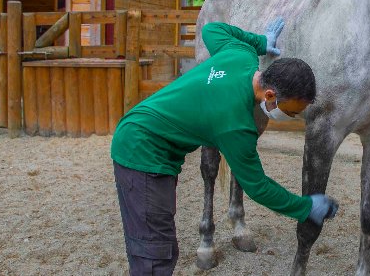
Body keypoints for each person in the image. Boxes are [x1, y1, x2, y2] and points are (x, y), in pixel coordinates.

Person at [110, 17, 339, 275]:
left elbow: (212, 29)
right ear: (270, 95)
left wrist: (260, 41)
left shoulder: (242, 55)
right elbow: (258, 187)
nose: (292, 117)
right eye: (291, 111)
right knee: (154, 254)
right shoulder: (236, 126)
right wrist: (305, 207)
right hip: (143, 151)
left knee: (158, 242)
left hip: (143, 135)